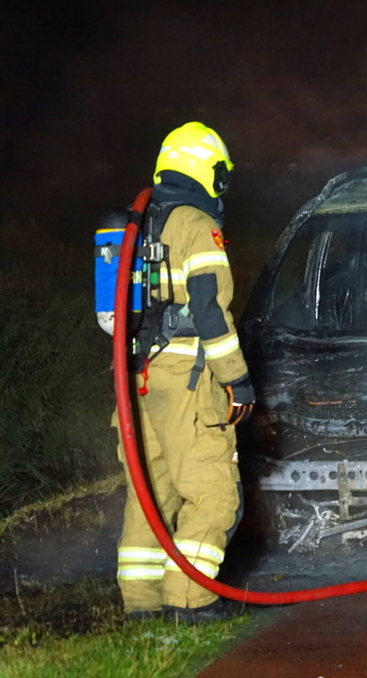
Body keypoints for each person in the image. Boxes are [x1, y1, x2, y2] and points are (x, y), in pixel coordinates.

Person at [113, 122, 255, 623]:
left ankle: (143, 610)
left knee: (149, 497)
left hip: (135, 380)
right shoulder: (195, 224)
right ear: (206, 169)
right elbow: (211, 313)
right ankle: (190, 604)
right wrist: (237, 380)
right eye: (221, 174)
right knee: (213, 494)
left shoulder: (139, 222)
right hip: (187, 382)